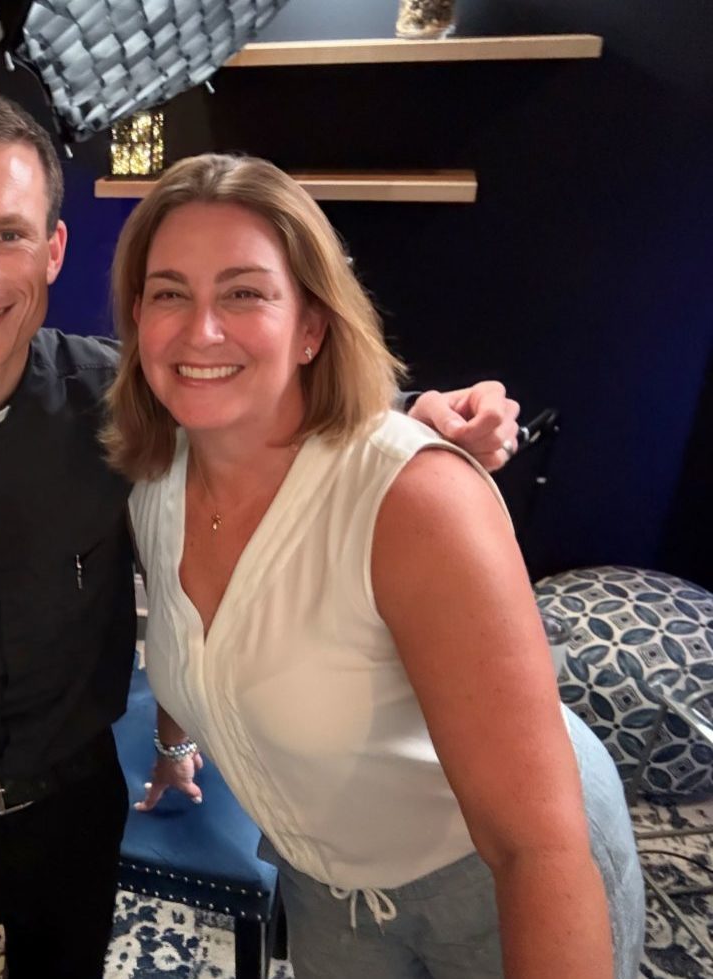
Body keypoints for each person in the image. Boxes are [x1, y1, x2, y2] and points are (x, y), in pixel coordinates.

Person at [0, 86, 522, 978]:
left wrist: (420, 414)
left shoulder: (120, 402)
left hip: (75, 811)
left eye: (10, 234)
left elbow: (269, 408)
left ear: (55, 248)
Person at [108, 153, 644, 978]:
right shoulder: (156, 480)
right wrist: (176, 745)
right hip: (324, 892)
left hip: (496, 886)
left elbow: (534, 843)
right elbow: (195, 643)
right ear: (136, 316)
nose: (200, 329)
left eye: (245, 292)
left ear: (312, 326)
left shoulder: (414, 500)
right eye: (170, 292)